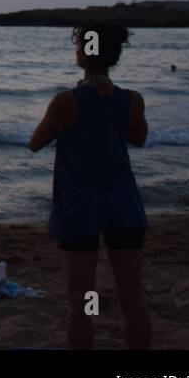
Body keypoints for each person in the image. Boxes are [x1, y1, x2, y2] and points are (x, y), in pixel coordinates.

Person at [29, 22, 150, 350]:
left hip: (79, 205)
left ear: (85, 52)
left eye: (79, 44)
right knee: (132, 297)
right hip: (123, 202)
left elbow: (35, 143)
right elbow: (138, 138)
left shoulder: (66, 101)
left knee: (81, 302)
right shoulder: (133, 100)